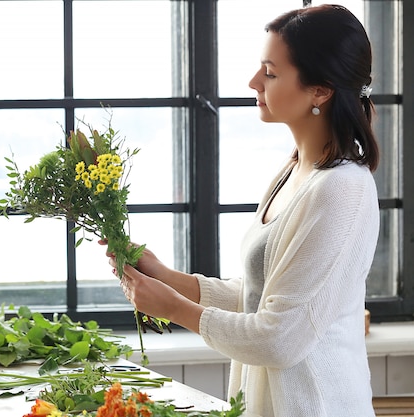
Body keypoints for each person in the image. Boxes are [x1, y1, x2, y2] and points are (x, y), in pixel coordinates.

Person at [107, 5, 380, 417]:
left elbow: (279, 337)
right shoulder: (294, 171)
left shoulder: (341, 191)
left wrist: (174, 308)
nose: (254, 81)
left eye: (270, 72)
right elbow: (263, 297)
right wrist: (171, 279)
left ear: (321, 90)